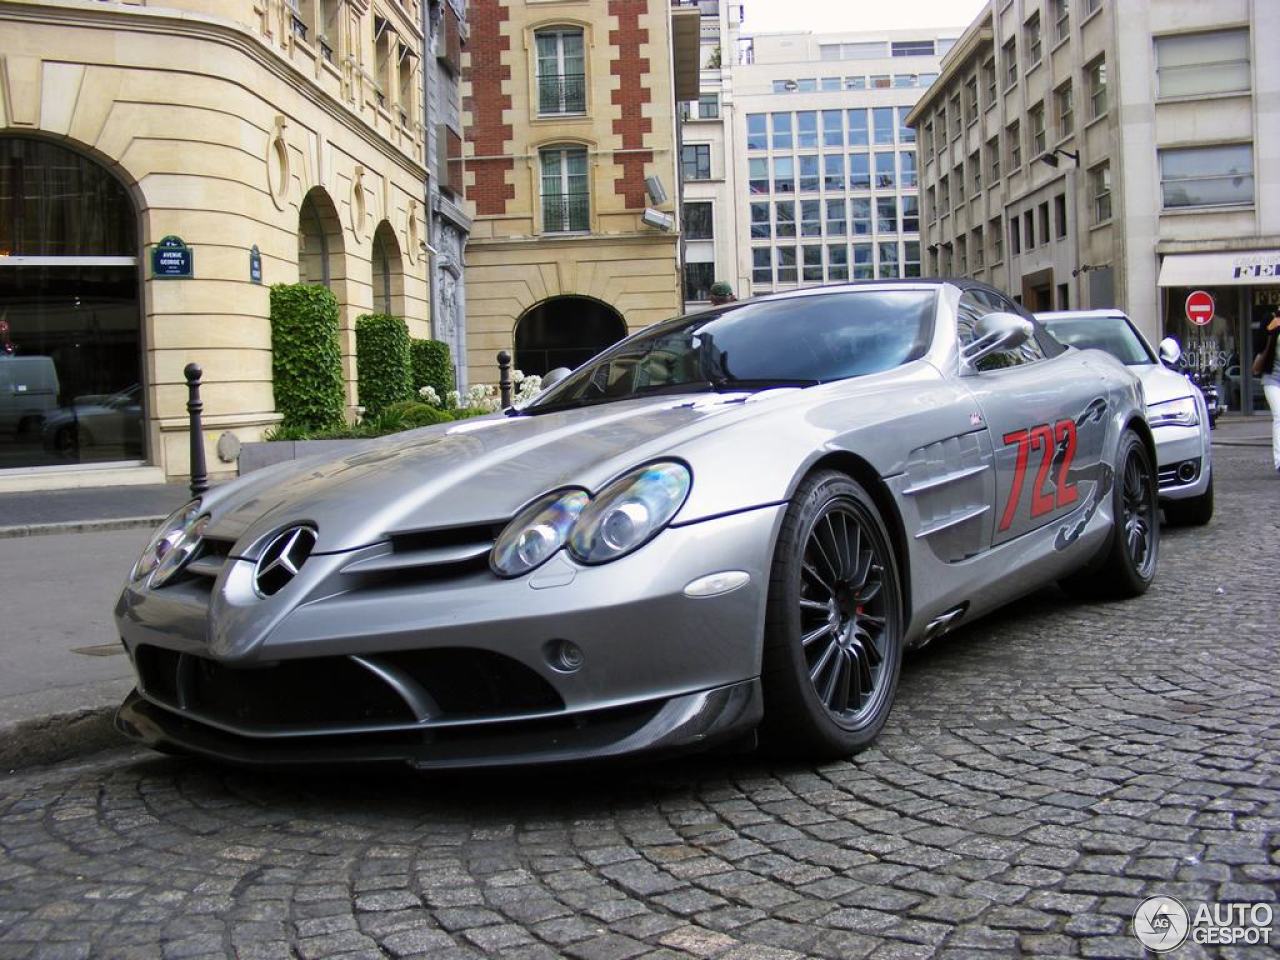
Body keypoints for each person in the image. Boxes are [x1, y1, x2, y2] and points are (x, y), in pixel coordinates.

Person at [1253, 310, 1280, 473]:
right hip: (1273, 378)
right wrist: (1270, 330)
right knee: (1279, 416)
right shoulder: (1270, 318)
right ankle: (1279, 461)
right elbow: (1258, 346)